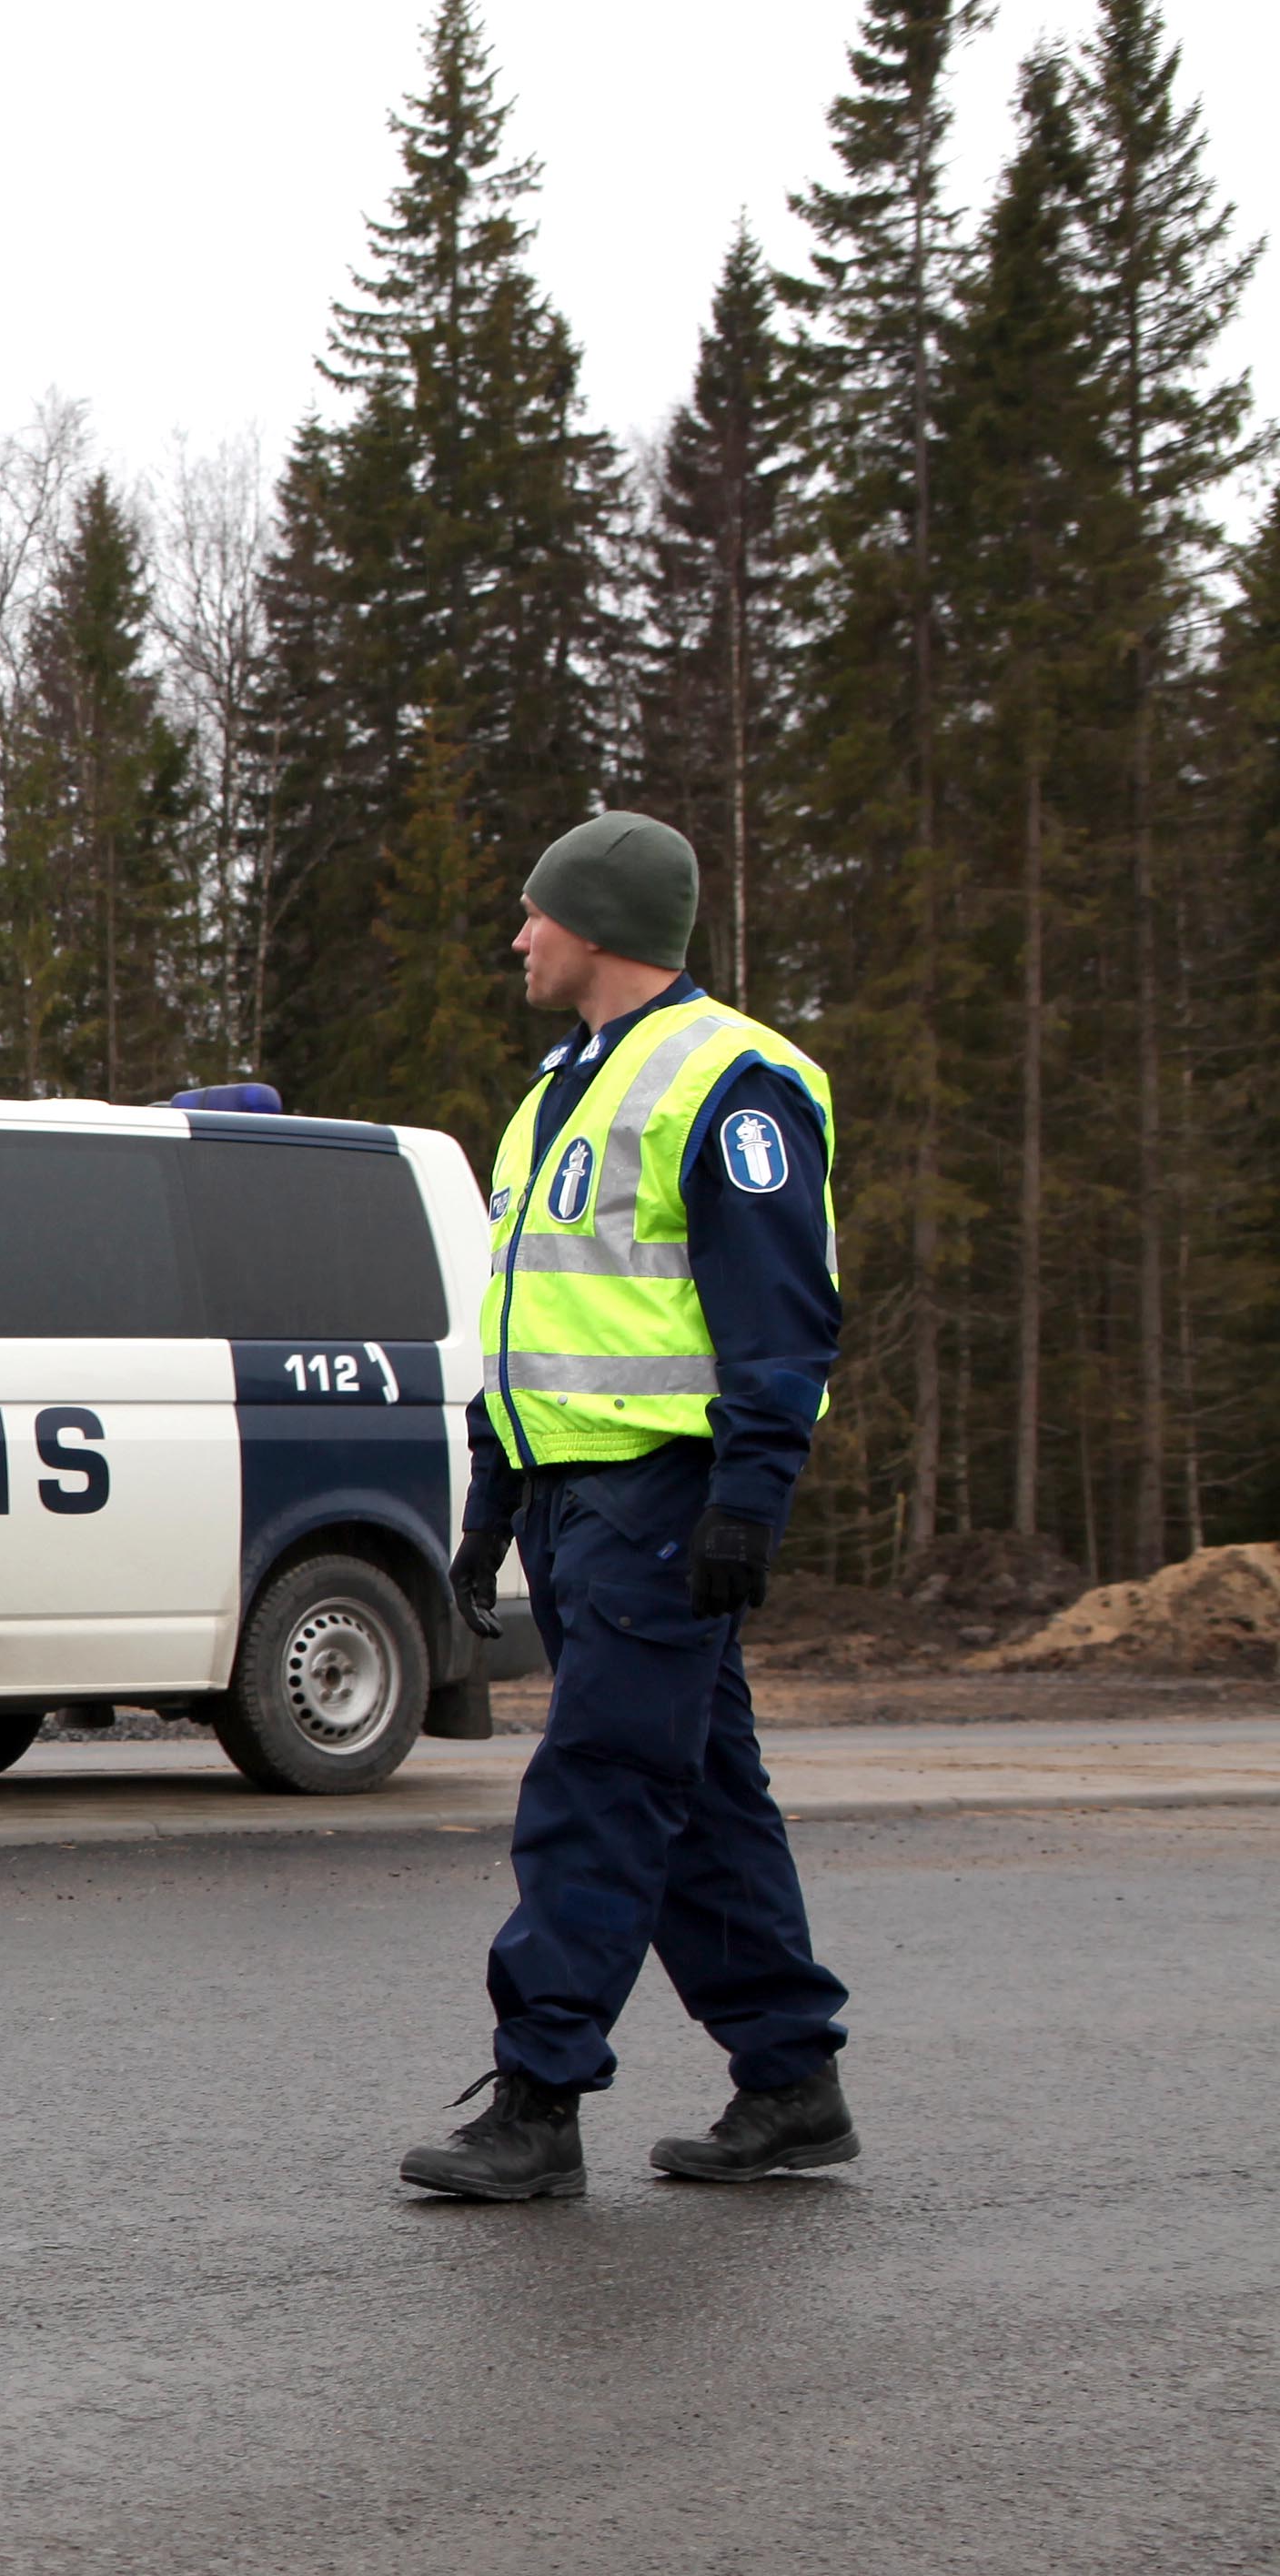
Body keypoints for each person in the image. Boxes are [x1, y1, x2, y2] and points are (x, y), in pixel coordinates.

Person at [398, 811, 857, 2200]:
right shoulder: (560, 1092)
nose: (518, 936)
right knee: (701, 1800)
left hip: (665, 1500)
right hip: (578, 1500)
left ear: (595, 927)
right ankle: (790, 2084)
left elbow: (782, 1321)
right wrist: (491, 1502)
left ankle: (539, 2102)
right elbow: (534, 1323)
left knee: (598, 1791)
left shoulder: (736, 1079)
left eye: (535, 914)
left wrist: (748, 1501)